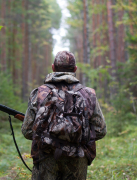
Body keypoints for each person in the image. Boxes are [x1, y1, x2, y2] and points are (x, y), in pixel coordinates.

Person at [21, 51, 107, 180]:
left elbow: (27, 131)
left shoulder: (39, 93)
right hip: (78, 158)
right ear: (75, 69)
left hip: (46, 157)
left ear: (53, 67)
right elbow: (100, 131)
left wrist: (49, 137)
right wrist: (76, 138)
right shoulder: (88, 94)